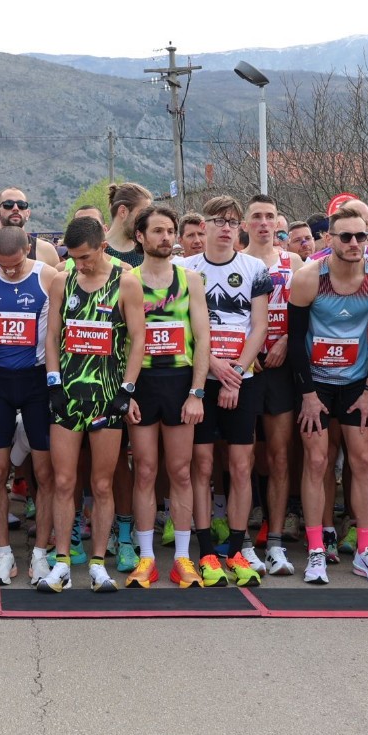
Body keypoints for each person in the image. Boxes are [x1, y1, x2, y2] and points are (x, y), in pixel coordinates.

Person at [289, 207, 368, 584]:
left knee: (363, 459)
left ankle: (366, 549)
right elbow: (295, 341)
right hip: (315, 381)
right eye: (346, 236)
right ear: (329, 239)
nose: (354, 243)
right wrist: (307, 394)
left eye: (361, 236)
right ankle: (316, 549)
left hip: (356, 382)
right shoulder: (308, 278)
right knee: (317, 460)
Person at [41, 217, 145, 592]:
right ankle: (62, 562)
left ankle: (99, 564)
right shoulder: (61, 281)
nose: (79, 264)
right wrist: (53, 382)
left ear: (103, 247)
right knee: (63, 481)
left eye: (85, 257)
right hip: (68, 395)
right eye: (73, 257)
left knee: (102, 484)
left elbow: (138, 339)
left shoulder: (126, 282)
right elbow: (52, 336)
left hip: (106, 396)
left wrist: (126, 391)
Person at [182, 195, 271, 587]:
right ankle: (205, 551)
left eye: (232, 222)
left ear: (240, 228)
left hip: (241, 379)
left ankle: (236, 549)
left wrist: (234, 372)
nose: (225, 227)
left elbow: (260, 326)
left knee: (240, 465)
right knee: (201, 466)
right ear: (204, 225)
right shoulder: (186, 268)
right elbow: (184, 328)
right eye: (218, 221)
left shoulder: (255, 268)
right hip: (200, 378)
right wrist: (213, 365)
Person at [125, 204, 211, 589]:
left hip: (178, 381)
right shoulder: (128, 280)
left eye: (169, 231)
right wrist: (126, 392)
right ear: (140, 236)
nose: (165, 238)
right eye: (157, 231)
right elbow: (120, 340)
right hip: (142, 382)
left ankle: (181, 558)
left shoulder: (190, 279)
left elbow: (203, 339)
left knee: (180, 471)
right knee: (144, 470)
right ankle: (146, 558)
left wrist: (197, 393)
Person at [0, 227, 58, 586]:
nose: (9, 270)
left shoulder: (48, 277)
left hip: (36, 381)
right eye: (3, 265)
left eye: (16, 264)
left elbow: (56, 334)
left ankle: (40, 554)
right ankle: (5, 554)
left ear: (29, 249)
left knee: (44, 472)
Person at [243, 194, 306, 574]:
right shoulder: (237, 262)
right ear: (245, 224)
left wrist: (286, 340)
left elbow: (305, 310)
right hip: (246, 367)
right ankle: (242, 538)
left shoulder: (293, 262)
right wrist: (246, 353)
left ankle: (277, 539)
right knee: (243, 456)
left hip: (281, 366)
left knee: (280, 455)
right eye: (257, 217)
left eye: (269, 216)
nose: (264, 223)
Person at [0, 187, 60, 276]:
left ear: (27, 213)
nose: (15, 208)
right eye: (8, 205)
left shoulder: (46, 251)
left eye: (21, 205)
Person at [105, 182, 152, 267]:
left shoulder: (146, 252)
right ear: (123, 212)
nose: (147, 220)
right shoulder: (95, 250)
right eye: (143, 214)